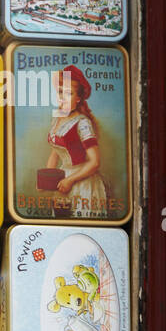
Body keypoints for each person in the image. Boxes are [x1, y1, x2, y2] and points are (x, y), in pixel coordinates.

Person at [45, 64, 109, 218]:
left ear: (78, 98)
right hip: (62, 182)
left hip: (83, 182)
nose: (62, 97)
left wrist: (71, 180)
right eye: (60, 92)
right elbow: (55, 153)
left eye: (69, 93)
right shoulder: (57, 118)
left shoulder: (82, 123)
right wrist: (46, 179)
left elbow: (94, 162)